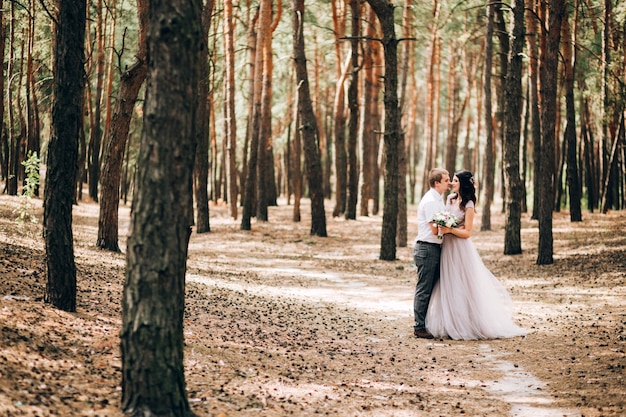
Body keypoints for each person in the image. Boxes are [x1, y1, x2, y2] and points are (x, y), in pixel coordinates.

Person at [426, 170, 527, 340]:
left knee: (463, 284)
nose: (451, 183)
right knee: (449, 283)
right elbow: (443, 218)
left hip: (460, 248)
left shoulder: (469, 204)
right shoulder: (450, 199)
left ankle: (467, 324)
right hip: (447, 248)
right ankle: (450, 322)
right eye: (451, 180)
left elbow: (467, 232)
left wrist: (451, 229)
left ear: (463, 184)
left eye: (455, 180)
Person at [413, 168, 450, 339]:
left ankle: (427, 322)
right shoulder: (430, 201)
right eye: (446, 179)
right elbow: (435, 230)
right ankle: (419, 326)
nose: (449, 182)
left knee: (432, 288)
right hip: (427, 248)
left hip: (434, 248)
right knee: (424, 288)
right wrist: (452, 229)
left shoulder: (438, 199)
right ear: (437, 183)